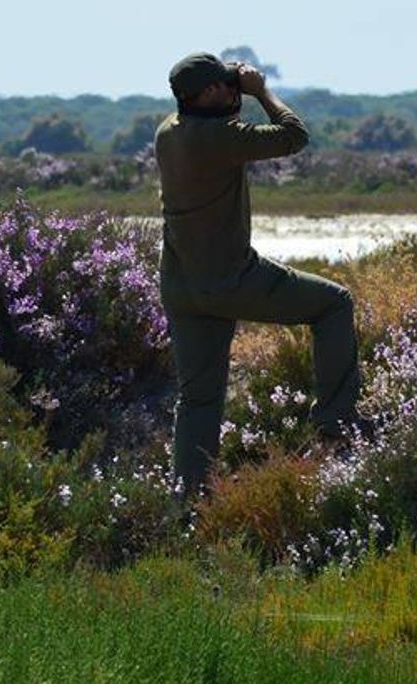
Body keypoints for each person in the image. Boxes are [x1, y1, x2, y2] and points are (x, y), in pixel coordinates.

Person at [155, 51, 362, 498]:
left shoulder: (168, 133)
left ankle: (188, 503)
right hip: (232, 280)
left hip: (181, 285)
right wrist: (261, 91)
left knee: (199, 400)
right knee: (333, 304)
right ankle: (336, 426)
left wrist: (231, 93)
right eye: (225, 83)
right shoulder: (220, 138)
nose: (234, 88)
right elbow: (294, 135)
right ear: (209, 92)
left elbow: (219, 121)